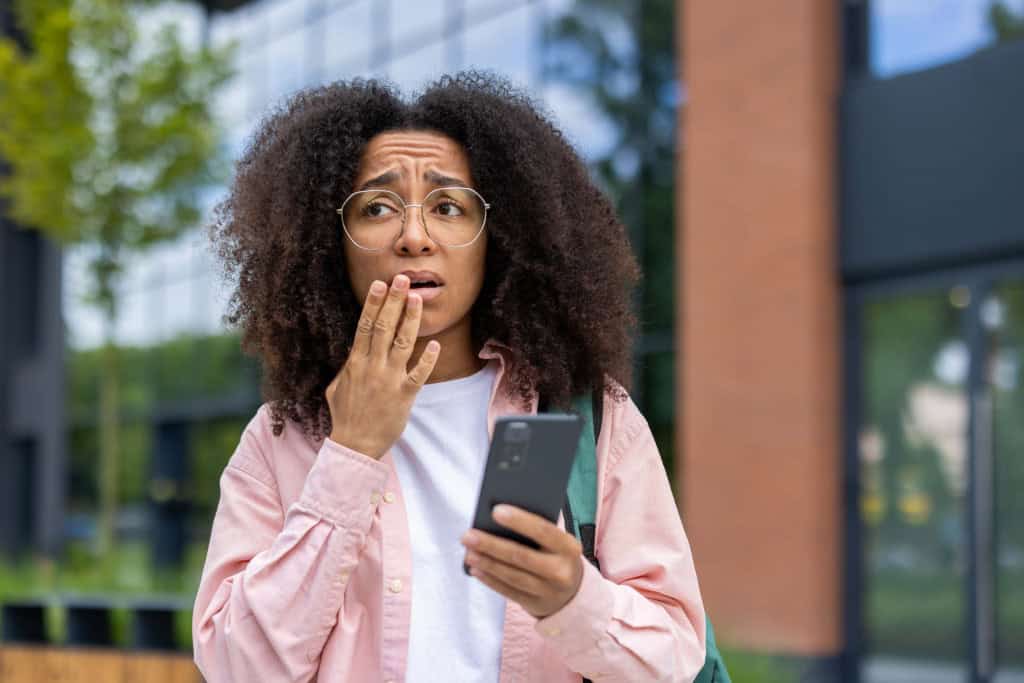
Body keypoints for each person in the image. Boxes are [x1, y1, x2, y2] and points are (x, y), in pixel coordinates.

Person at [192, 71, 706, 683]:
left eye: (449, 207)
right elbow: (234, 666)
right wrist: (350, 453)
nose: (414, 237)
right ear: (329, 243)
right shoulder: (283, 438)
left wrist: (573, 599)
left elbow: (675, 656)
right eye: (378, 207)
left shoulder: (586, 416)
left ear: (500, 238)